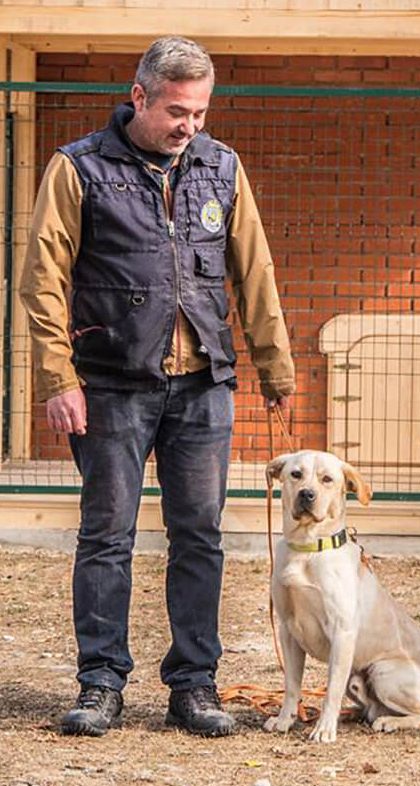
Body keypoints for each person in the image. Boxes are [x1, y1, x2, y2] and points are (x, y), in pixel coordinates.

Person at [20, 36, 295, 738]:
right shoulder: (77, 168)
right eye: (177, 111)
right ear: (138, 96)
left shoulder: (221, 168)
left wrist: (276, 367)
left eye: (200, 112)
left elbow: (254, 273)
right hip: (110, 385)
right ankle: (100, 683)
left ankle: (194, 687)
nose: (190, 126)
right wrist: (59, 378)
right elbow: (42, 281)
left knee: (199, 536)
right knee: (106, 536)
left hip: (204, 385)